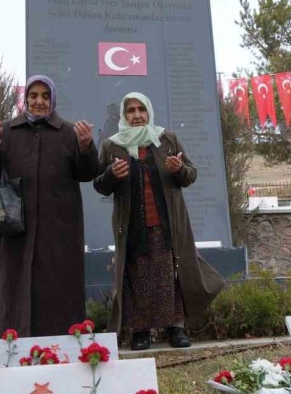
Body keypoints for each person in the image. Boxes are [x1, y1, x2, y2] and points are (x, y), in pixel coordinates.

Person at [93, 92, 224, 350]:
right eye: (131, 110)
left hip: (167, 224)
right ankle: (141, 332)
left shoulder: (167, 139)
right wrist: (111, 175)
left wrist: (179, 169)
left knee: (170, 277)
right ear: (124, 115)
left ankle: (175, 329)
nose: (137, 115)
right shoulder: (112, 146)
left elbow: (190, 175)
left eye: (141, 109)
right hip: (132, 226)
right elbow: (100, 185)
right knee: (137, 278)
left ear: (149, 111)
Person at [0, 75, 100, 337]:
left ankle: (63, 344)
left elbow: (87, 173)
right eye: (33, 95)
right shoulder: (8, 131)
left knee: (59, 287)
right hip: (17, 228)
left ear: (53, 100)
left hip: (60, 229)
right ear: (25, 99)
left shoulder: (68, 132)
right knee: (17, 285)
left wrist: (85, 147)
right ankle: (17, 344)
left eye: (45, 96)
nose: (39, 101)